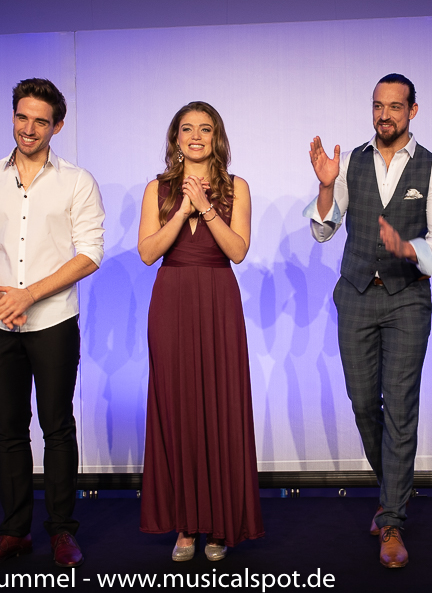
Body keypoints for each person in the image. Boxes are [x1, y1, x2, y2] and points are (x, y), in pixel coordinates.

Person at [305, 74, 432, 568]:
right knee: (365, 404)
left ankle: (391, 519)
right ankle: (395, 489)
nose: (383, 115)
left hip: (407, 297)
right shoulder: (351, 162)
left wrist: (409, 248)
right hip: (355, 295)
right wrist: (326, 187)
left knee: (401, 409)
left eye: (394, 106)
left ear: (413, 110)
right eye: (377, 106)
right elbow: (324, 230)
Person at [0, 78, 105, 569]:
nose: (29, 128)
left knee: (57, 428)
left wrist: (29, 294)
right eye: (23, 117)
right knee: (9, 431)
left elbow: (90, 254)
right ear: (13, 117)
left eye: (41, 120)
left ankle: (62, 531)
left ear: (57, 126)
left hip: (53, 321)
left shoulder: (77, 181)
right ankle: (13, 533)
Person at [138, 101, 263, 562]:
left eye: (205, 129)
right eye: (186, 129)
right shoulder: (158, 188)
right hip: (170, 302)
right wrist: (182, 208)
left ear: (217, 137)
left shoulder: (237, 187)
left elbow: (237, 250)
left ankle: (218, 526)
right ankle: (186, 526)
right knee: (177, 409)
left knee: (220, 408)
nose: (195, 136)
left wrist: (207, 207)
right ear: (175, 138)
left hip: (217, 301)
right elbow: (148, 253)